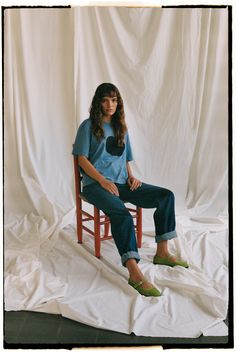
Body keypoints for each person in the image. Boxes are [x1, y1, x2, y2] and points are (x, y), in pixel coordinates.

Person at [72, 82, 189, 297]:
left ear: (119, 103)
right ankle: (134, 272)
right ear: (98, 102)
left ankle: (162, 252)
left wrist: (131, 176)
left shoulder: (121, 128)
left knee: (166, 196)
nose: (110, 104)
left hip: (123, 183)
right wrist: (101, 181)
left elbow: (124, 158)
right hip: (95, 186)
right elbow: (81, 159)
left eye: (114, 100)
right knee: (122, 214)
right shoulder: (87, 126)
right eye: (105, 100)